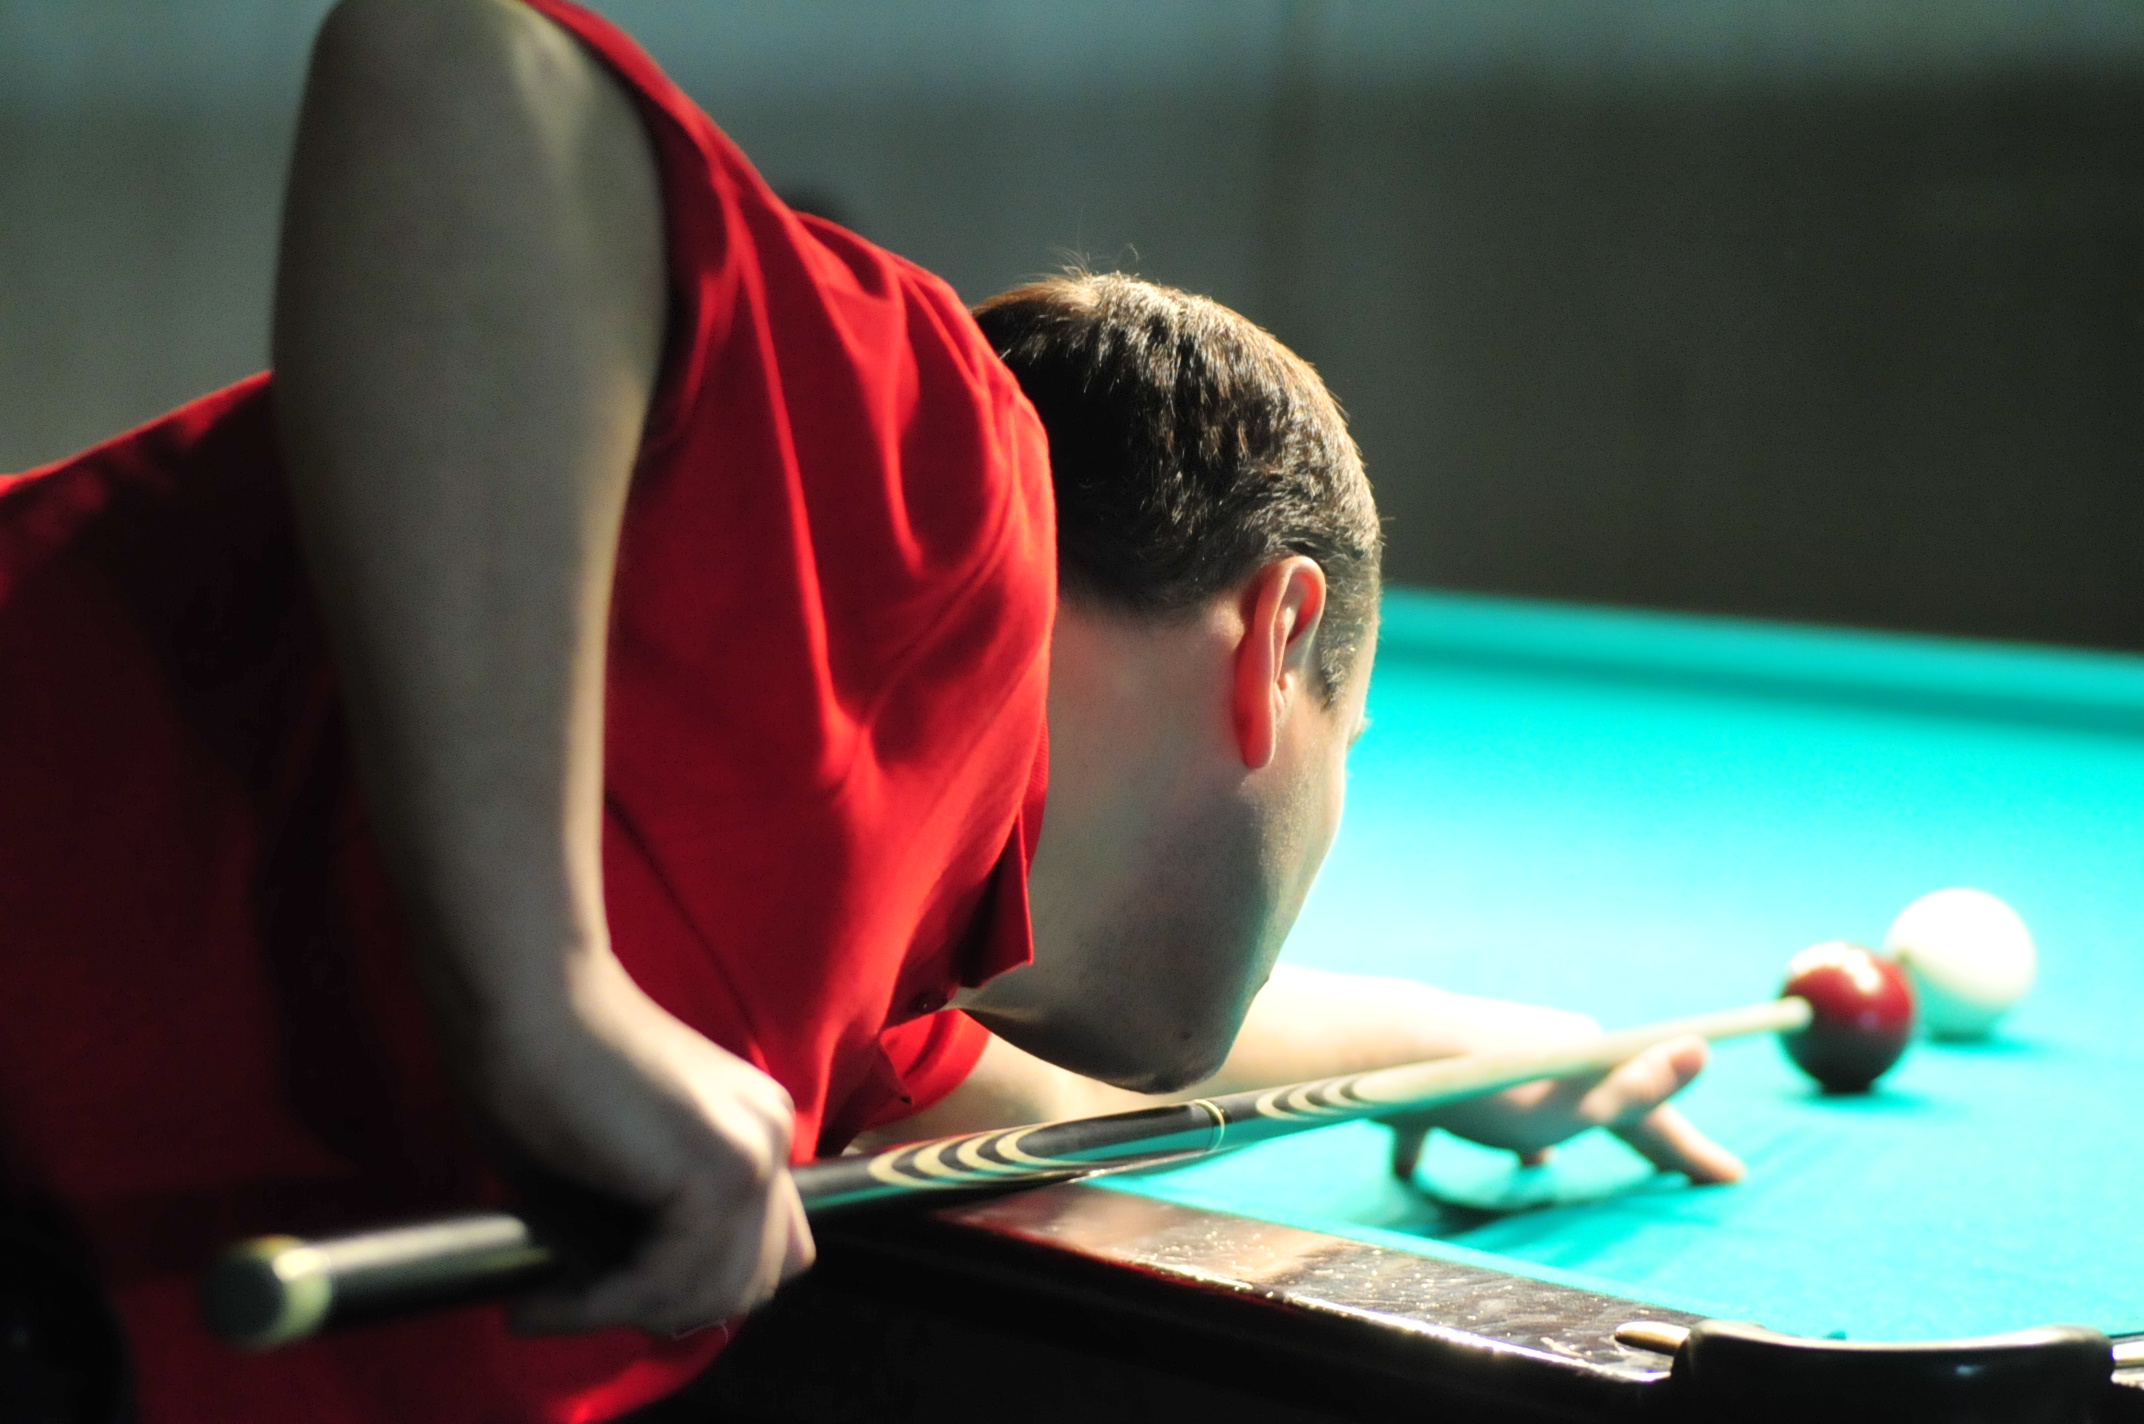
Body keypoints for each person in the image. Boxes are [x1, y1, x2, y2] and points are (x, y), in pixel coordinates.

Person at [0, 1, 1736, 1420]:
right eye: (1344, 750)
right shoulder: (946, 494)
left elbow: (1003, 1073)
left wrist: (1456, 1047)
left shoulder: (883, 937)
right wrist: (541, 997)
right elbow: (461, 59)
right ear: (1278, 641)